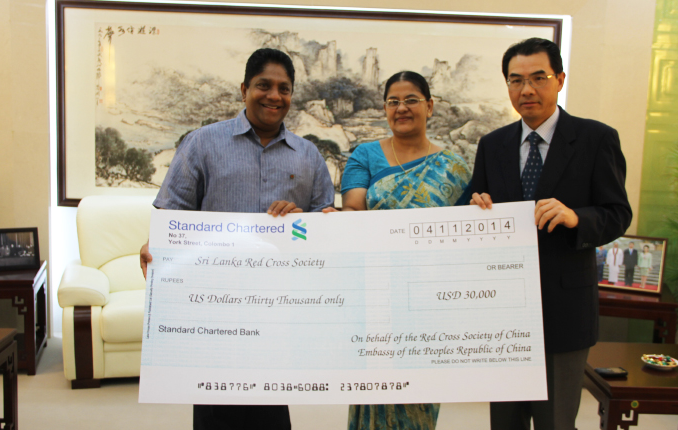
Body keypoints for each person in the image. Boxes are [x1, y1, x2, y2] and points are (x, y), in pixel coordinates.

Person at [140, 48, 335, 430]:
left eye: (284, 88)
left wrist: (304, 224)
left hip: (280, 308)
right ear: (244, 89)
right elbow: (171, 215)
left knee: (272, 410)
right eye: (264, 85)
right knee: (215, 408)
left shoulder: (309, 155)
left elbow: (325, 229)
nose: (274, 96)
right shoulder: (202, 143)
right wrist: (155, 247)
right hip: (215, 306)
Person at [468, 38, 631, 430]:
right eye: (516, 80)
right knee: (504, 422)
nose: (527, 89)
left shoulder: (596, 138)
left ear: (559, 79)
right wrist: (475, 205)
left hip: (564, 310)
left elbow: (618, 213)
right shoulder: (492, 145)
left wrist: (576, 218)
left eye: (538, 78)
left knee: (555, 423)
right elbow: (476, 201)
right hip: (503, 312)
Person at [325, 71, 471, 430]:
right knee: (372, 398)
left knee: (419, 404)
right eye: (393, 101)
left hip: (428, 305)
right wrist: (337, 223)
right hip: (375, 298)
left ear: (429, 106)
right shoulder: (365, 155)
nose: (401, 108)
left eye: (411, 100)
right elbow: (354, 210)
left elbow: (464, 239)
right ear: (385, 108)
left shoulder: (454, 168)